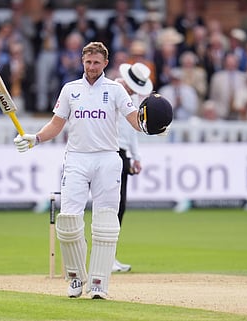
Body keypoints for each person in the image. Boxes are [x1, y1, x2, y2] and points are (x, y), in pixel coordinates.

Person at [13, 42, 170, 300]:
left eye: (96, 62)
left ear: (105, 63)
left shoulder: (116, 90)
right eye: (88, 62)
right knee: (68, 220)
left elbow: (135, 121)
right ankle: (76, 279)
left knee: (106, 223)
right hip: (76, 158)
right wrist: (36, 139)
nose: (92, 67)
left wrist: (152, 127)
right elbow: (56, 124)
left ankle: (99, 284)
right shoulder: (70, 89)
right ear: (82, 62)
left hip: (108, 159)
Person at [112, 62, 153, 272]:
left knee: (120, 207)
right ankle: (106, 257)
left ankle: (110, 255)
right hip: (110, 152)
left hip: (123, 154)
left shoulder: (134, 98)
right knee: (112, 206)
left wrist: (136, 157)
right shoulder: (111, 91)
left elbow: (132, 132)